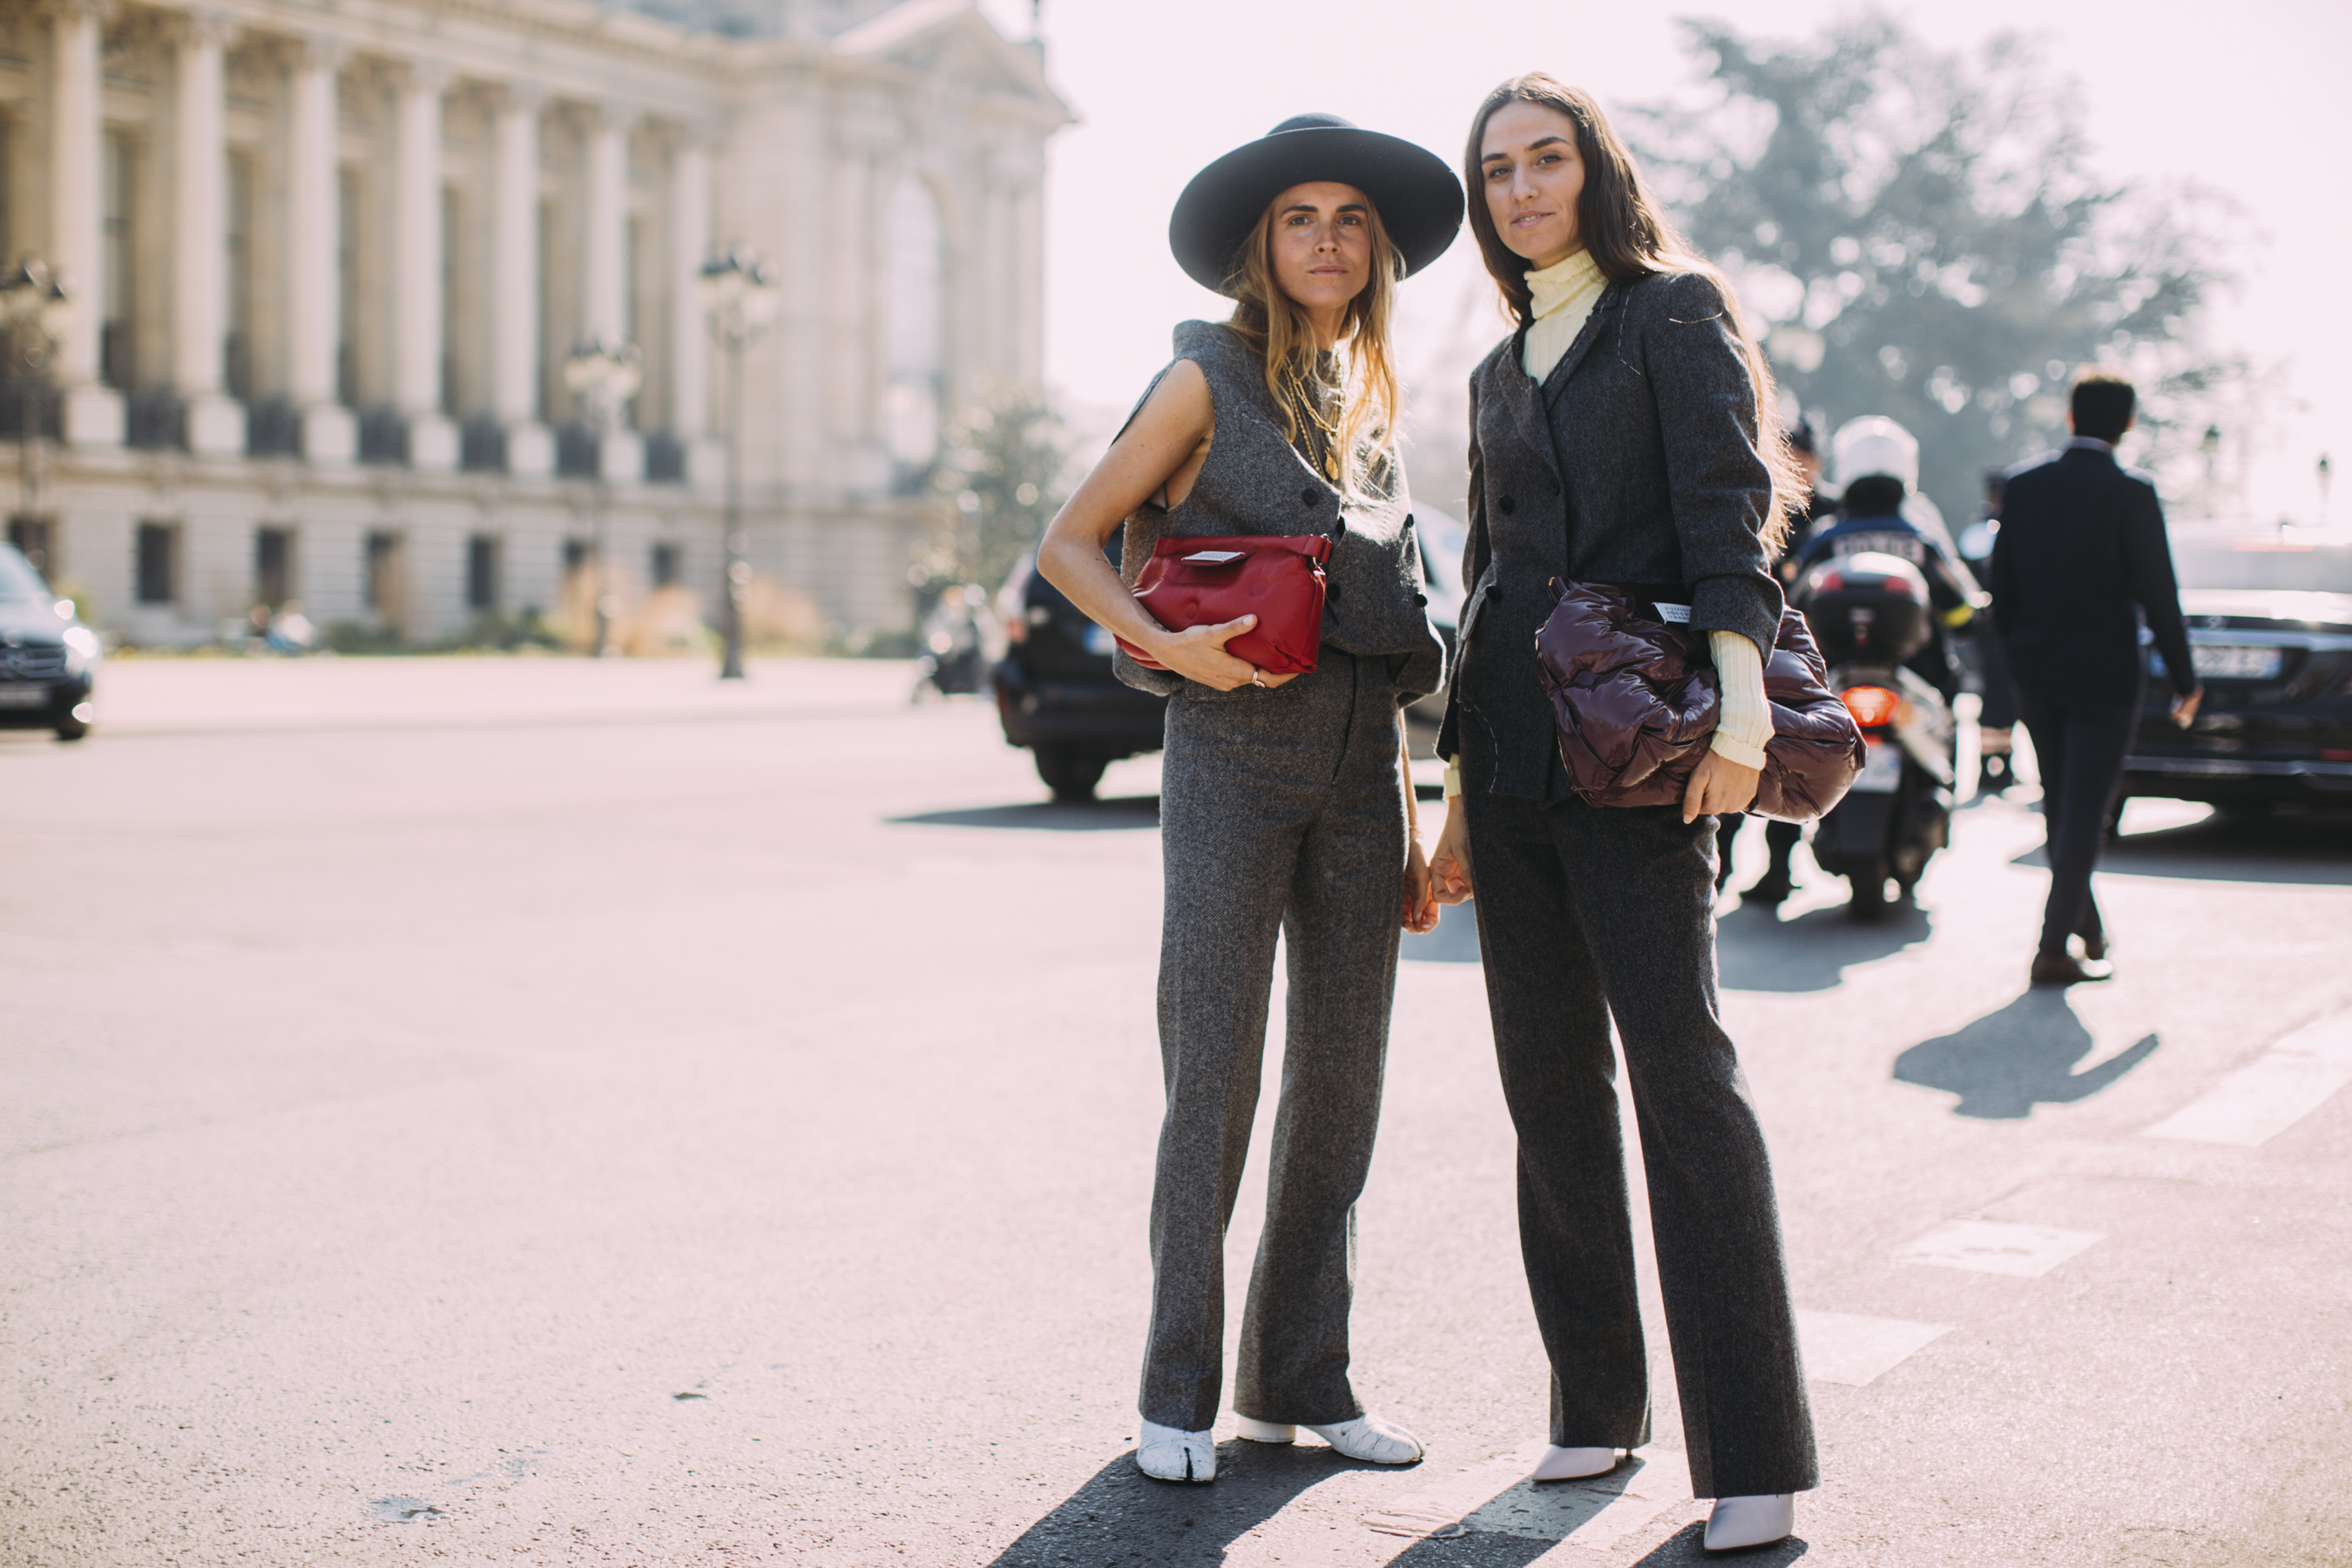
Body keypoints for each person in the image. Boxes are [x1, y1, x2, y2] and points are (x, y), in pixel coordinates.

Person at [1033, 113, 1458, 1484]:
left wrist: (1407, 811)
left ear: (1374, 250)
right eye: (1299, 218)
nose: (1327, 239)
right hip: (1229, 760)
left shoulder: (1372, 406)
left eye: (1348, 220)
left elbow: (1386, 635)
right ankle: (1174, 1395)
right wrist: (1168, 646)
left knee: (1342, 1089)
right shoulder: (1204, 374)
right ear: (1260, 247)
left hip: (1359, 781)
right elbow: (1068, 542)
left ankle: (1302, 1381)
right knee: (1211, 1082)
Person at [1424, 75, 1816, 1553]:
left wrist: (1744, 707)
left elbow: (1731, 512)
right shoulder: (1497, 367)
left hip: (1647, 754)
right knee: (1548, 1094)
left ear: (1596, 171)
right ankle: (1596, 1408)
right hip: (1516, 767)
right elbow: (1485, 590)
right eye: (1500, 171)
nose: (1524, 188)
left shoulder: (1672, 311)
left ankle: (1757, 1452)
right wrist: (1456, 792)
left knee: (1684, 1085)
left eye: (1548, 160)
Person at [1991, 371, 2201, 986]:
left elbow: (2001, 588)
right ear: (2129, 423)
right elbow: (2158, 591)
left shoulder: (2023, 486)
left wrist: (2018, 657)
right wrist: (2185, 676)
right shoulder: (2132, 492)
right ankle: (2053, 947)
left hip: (2038, 670)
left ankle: (2087, 927)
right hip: (2107, 674)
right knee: (2086, 810)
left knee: (2062, 803)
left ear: (2070, 416)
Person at [1714, 421, 1836, 893]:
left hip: (1804, 649)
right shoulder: (1754, 497)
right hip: (1753, 645)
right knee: (1737, 746)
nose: (1794, 463)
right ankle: (1720, 865)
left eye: (1801, 454)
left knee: (1791, 756)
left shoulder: (1828, 512)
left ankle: (1779, 871)